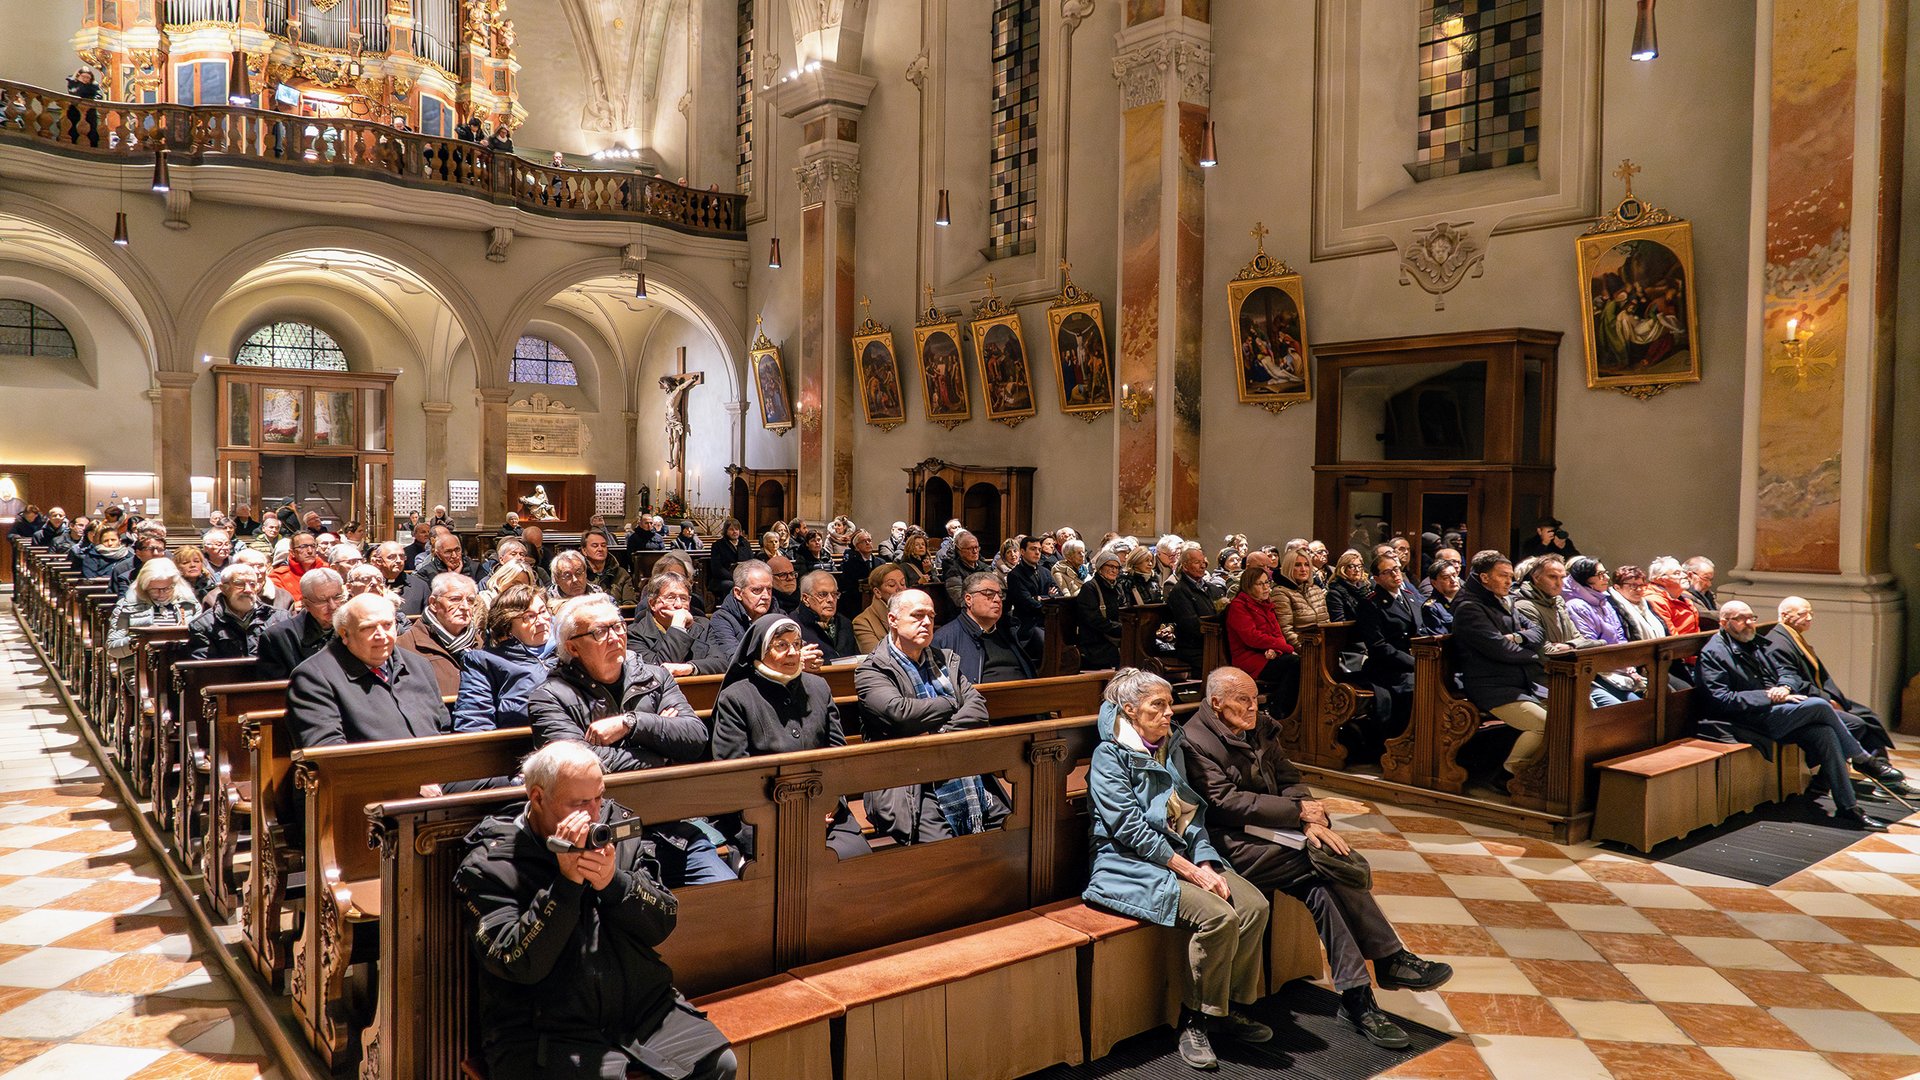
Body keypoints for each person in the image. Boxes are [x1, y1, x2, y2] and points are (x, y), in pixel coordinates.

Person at [1181, 668, 1452, 1049]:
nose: (1252, 707)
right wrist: (1298, 815)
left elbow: (1290, 776)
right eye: (1242, 700)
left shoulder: (1258, 727)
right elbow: (1225, 803)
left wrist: (1310, 819)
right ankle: (1387, 961)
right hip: (1231, 843)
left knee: (1323, 885)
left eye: (1255, 698)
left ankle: (1358, 998)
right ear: (1216, 703)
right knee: (1329, 862)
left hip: (1277, 835)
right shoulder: (1194, 739)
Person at [453, 741, 736, 1080]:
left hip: (638, 1010)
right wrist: (566, 885)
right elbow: (517, 962)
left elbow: (662, 922)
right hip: (543, 1027)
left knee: (719, 1064)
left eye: (599, 797)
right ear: (538, 797)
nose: (594, 814)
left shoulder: (618, 826)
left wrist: (613, 883)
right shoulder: (489, 863)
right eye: (579, 803)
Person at [1083, 668, 1272, 1071]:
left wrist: (1205, 859)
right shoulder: (1109, 755)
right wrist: (1190, 870)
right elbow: (1128, 829)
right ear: (1130, 710)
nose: (1170, 713)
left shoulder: (1171, 745)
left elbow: (1191, 814)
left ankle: (1229, 1009)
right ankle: (1195, 1019)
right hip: (1126, 865)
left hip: (1181, 856)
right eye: (1158, 705)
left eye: (1169, 704)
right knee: (1219, 917)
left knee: (1254, 906)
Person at [526, 595, 735, 886]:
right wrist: (663, 754)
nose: (614, 637)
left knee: (728, 893)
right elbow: (579, 771)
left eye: (618, 627)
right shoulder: (549, 697)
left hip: (671, 826)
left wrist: (632, 724)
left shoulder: (656, 678)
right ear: (572, 646)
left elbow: (695, 737)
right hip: (599, 836)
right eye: (600, 632)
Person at [1695, 601, 1899, 830]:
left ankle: (1848, 807)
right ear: (1724, 623)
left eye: (1752, 617)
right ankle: (1862, 759)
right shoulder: (1713, 653)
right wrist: (1768, 696)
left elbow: (1786, 673)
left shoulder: (1755, 642)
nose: (1749, 623)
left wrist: (1785, 688)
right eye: (1741, 619)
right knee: (1819, 706)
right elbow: (1721, 700)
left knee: (1826, 733)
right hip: (1746, 720)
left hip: (1774, 710)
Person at [709, 614, 871, 859]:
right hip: (762, 817)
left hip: (825, 811)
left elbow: (838, 758)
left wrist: (829, 804)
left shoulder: (818, 687)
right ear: (760, 651)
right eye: (781, 645)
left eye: (797, 644)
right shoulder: (736, 698)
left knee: (855, 859)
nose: (793, 653)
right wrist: (790, 813)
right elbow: (735, 774)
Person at [853, 589, 1006, 844]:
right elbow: (899, 713)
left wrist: (938, 733)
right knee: (943, 849)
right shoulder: (873, 669)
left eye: (931, 616)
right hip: (908, 782)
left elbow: (978, 710)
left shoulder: (945, 660)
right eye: (917, 615)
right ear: (892, 620)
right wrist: (951, 702)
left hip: (963, 768)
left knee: (1009, 829)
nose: (926, 622)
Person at [285, 593, 450, 748]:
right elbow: (327, 754)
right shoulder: (313, 677)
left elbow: (444, 728)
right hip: (375, 775)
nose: (382, 635)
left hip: (438, 770)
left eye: (387, 625)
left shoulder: (419, 665)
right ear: (345, 634)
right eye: (368, 628)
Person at [1763, 596, 1899, 779]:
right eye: (1803, 614)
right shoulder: (1778, 643)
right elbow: (1793, 682)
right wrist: (1828, 700)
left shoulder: (1792, 637)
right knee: (1856, 724)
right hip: (1805, 701)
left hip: (1819, 695)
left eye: (1811, 613)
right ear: (1785, 615)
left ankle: (1881, 767)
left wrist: (1833, 698)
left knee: (1867, 715)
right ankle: (1828, 779)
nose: (1810, 618)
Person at [1450, 551, 1548, 788]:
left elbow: (1537, 630)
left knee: (1571, 716)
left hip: (1521, 683)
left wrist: (1517, 638)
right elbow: (1501, 649)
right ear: (1484, 577)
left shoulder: (1503, 598)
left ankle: (1539, 776)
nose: (1509, 582)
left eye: (1511, 576)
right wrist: (1535, 654)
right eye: (1503, 576)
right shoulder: (1469, 608)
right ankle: (1510, 775)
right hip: (1493, 688)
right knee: (1546, 724)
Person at [451, 585, 553, 733]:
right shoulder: (484, 661)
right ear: (507, 627)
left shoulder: (570, 651)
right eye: (529, 616)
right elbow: (474, 722)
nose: (542, 620)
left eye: (543, 611)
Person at [1352, 551, 1423, 760]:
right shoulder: (1371, 604)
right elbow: (1379, 646)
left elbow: (1422, 631)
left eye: (1397, 569)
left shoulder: (1409, 597)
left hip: (1416, 661)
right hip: (1388, 668)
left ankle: (1427, 741)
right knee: (1413, 688)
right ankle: (1400, 745)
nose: (1395, 574)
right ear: (1377, 578)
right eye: (1388, 572)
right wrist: (1415, 662)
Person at [931, 571, 1034, 684]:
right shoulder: (944, 639)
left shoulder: (1010, 629)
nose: (997, 600)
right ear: (969, 599)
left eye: (1000, 595)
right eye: (989, 594)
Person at [1224, 567, 1299, 710]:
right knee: (1294, 662)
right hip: (1249, 658)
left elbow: (1277, 634)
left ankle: (1290, 710)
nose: (1266, 587)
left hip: (1268, 655)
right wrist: (1287, 648)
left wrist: (1277, 650)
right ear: (1249, 586)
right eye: (1260, 584)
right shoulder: (1238, 606)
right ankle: (1279, 710)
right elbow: (1252, 637)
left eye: (1267, 582)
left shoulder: (1266, 604)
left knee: (1303, 665)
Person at [256, 567, 346, 682]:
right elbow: (275, 692)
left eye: (337, 597)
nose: (333, 606)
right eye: (322, 601)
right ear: (306, 604)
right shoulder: (278, 637)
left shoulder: (354, 629)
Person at [399, 572, 479, 698]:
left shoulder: (481, 644)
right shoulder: (405, 647)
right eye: (455, 599)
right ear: (433, 603)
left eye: (470, 601)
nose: (465, 607)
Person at [107, 557, 201, 662]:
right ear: (144, 586)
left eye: (167, 588)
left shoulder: (189, 603)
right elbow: (112, 648)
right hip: (137, 665)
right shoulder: (127, 605)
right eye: (154, 590)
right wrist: (140, 640)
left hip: (181, 663)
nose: (161, 594)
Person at [187, 562, 281, 660]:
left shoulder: (279, 618)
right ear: (223, 588)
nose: (248, 590)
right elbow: (203, 669)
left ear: (258, 588)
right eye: (239, 584)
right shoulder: (203, 625)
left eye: (252, 584)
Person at [1165, 546, 1224, 670]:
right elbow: (1191, 626)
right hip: (1195, 649)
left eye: (1204, 562)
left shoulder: (1213, 589)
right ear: (1185, 566)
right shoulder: (1179, 591)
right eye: (1197, 563)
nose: (1203, 566)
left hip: (1216, 643)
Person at [1005, 534, 1058, 656]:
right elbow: (1027, 602)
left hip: (1048, 620)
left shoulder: (1045, 571)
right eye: (1033, 549)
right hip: (1028, 624)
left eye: (1039, 550)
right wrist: (1048, 598)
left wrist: (1041, 598)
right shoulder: (1015, 575)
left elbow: (1058, 594)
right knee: (1046, 644)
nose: (1037, 553)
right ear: (1022, 552)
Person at [1075, 546, 1126, 670]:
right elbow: (1093, 619)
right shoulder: (1090, 588)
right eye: (1110, 566)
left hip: (1114, 636)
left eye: (1117, 568)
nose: (1114, 570)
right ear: (1100, 568)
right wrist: (1121, 628)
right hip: (1095, 642)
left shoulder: (1117, 587)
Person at [403, 531, 477, 616]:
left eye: (457, 550)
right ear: (438, 554)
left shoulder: (475, 568)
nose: (454, 555)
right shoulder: (426, 573)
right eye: (448, 552)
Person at [793, 569, 857, 661]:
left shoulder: (845, 623)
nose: (831, 599)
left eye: (834, 594)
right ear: (806, 599)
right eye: (823, 594)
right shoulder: (794, 626)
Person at [851, 562, 905, 655]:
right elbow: (877, 657)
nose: (900, 588)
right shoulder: (862, 622)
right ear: (877, 592)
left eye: (902, 583)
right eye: (892, 585)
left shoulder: (912, 613)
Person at [1645, 556, 1702, 636]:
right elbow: (1672, 638)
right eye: (1677, 573)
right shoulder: (1655, 600)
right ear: (1661, 580)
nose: (1685, 576)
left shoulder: (1684, 596)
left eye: (1683, 572)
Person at [580, 528, 633, 602]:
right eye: (595, 546)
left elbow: (629, 603)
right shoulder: (578, 574)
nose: (600, 549)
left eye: (603, 545)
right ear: (584, 550)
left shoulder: (621, 574)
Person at [270, 532, 329, 597]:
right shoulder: (279, 577)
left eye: (313, 546)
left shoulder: (328, 570)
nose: (310, 551)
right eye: (303, 547)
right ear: (292, 552)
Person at [705, 517, 751, 597]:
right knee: (732, 585)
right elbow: (717, 568)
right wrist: (734, 578)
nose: (735, 532)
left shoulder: (745, 544)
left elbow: (751, 562)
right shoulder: (718, 545)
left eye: (737, 529)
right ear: (726, 531)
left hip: (743, 576)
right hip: (723, 579)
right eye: (731, 529)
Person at [940, 530, 986, 609]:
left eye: (976, 547)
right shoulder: (953, 570)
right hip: (963, 614)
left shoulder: (985, 568)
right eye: (970, 548)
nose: (975, 551)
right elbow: (959, 599)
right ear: (959, 550)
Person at [1324, 549, 1371, 623]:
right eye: (1352, 566)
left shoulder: (1366, 588)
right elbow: (1338, 622)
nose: (1357, 570)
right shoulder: (1334, 593)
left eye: (1359, 566)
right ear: (1343, 568)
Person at [835, 528, 878, 603]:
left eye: (869, 540)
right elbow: (849, 585)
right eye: (863, 541)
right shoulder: (850, 563)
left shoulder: (880, 562)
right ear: (856, 547)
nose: (868, 543)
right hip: (856, 600)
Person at [1682, 556, 1719, 626]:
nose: (1709, 584)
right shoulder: (1682, 595)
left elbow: (1719, 609)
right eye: (1705, 579)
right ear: (1690, 575)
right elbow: (1706, 615)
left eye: (1710, 580)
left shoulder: (1706, 594)